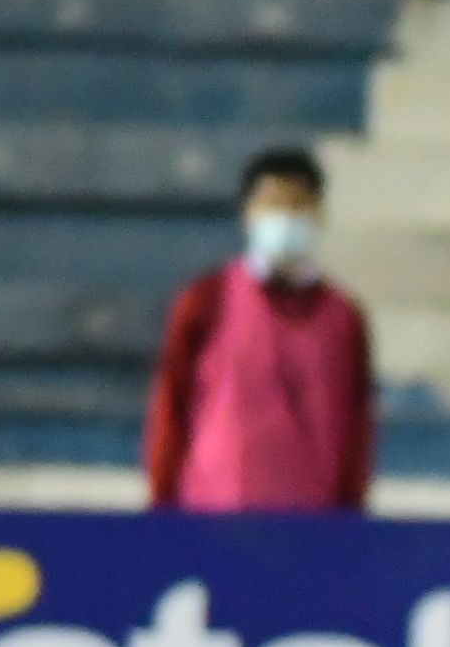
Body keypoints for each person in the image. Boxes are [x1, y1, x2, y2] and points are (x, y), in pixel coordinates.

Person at [142, 147, 375, 512]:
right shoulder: (205, 300)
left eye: (298, 204)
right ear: (248, 213)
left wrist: (350, 514)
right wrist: (162, 504)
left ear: (320, 213)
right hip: (213, 513)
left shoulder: (343, 317)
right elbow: (171, 405)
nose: (285, 216)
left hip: (312, 520)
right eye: (272, 204)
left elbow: (356, 424)